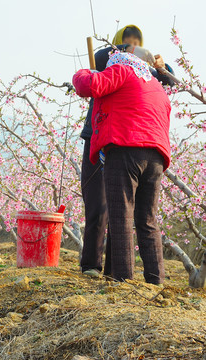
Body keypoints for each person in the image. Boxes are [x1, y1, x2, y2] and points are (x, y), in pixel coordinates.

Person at [79, 24, 175, 277]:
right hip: (148, 150)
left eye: (136, 42)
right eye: (127, 42)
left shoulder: (129, 72)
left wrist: (161, 65)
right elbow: (101, 58)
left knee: (120, 215)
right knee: (106, 208)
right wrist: (135, 53)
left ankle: (120, 277)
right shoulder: (114, 62)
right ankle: (100, 266)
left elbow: (169, 79)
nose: (131, 46)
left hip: (121, 145)